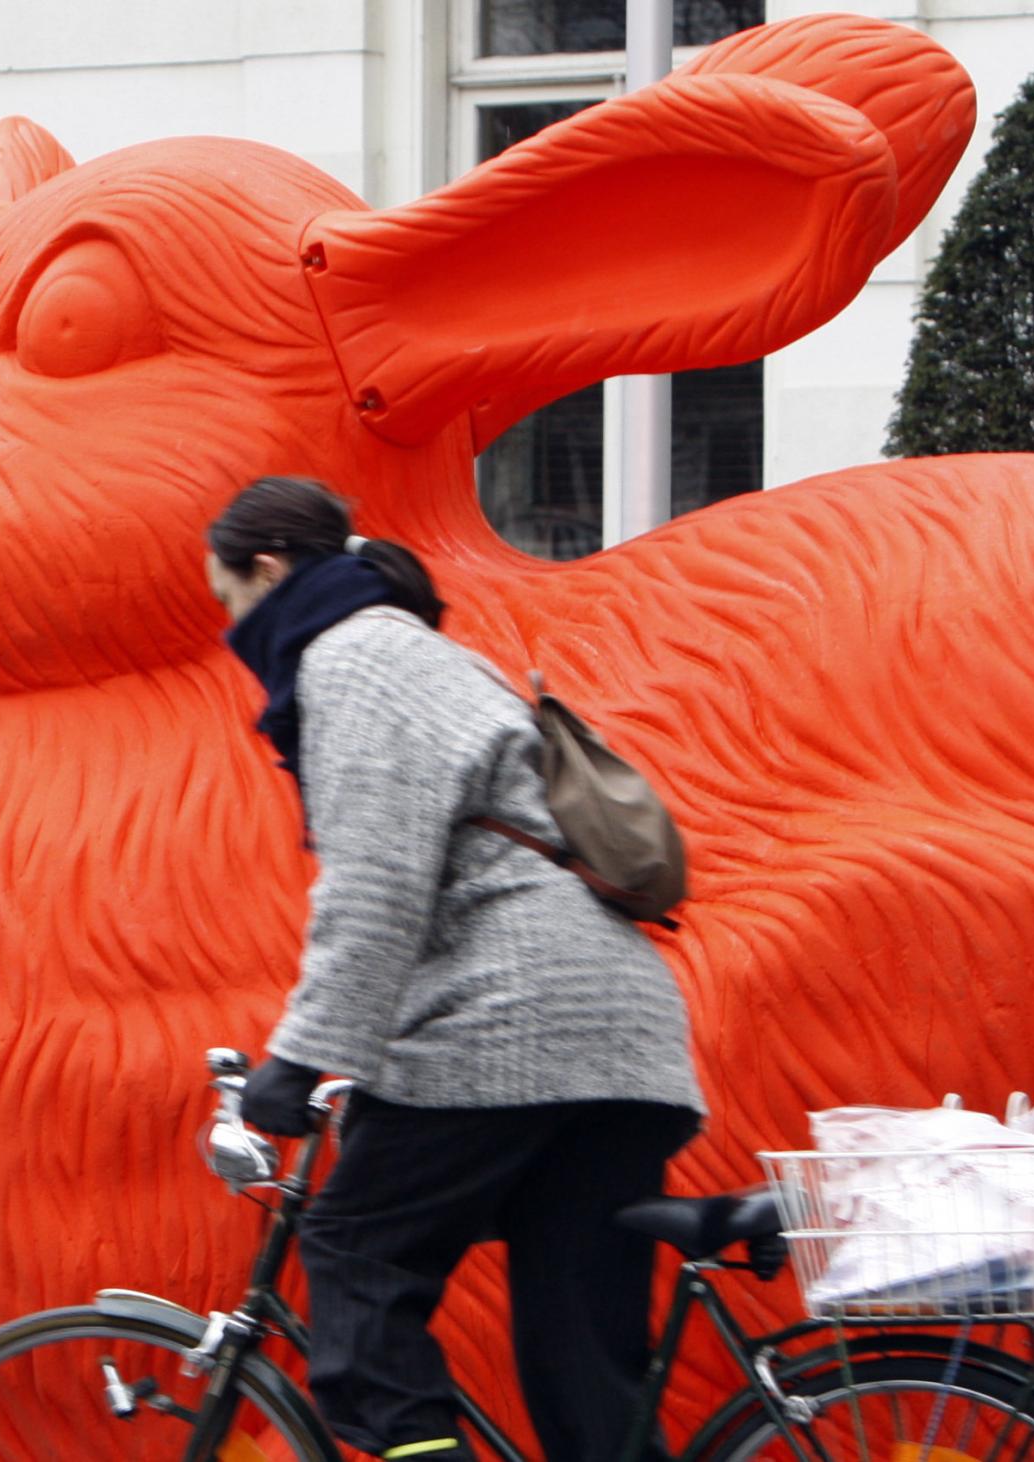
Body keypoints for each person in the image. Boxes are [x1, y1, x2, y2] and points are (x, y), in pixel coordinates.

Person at [205, 475, 707, 1462]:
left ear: (266, 572)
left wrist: (295, 1063)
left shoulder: (351, 661)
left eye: (223, 597)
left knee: (355, 1249)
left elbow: (378, 885)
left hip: (510, 1023)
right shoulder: (431, 657)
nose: (228, 626)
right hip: (620, 1035)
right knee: (585, 1385)